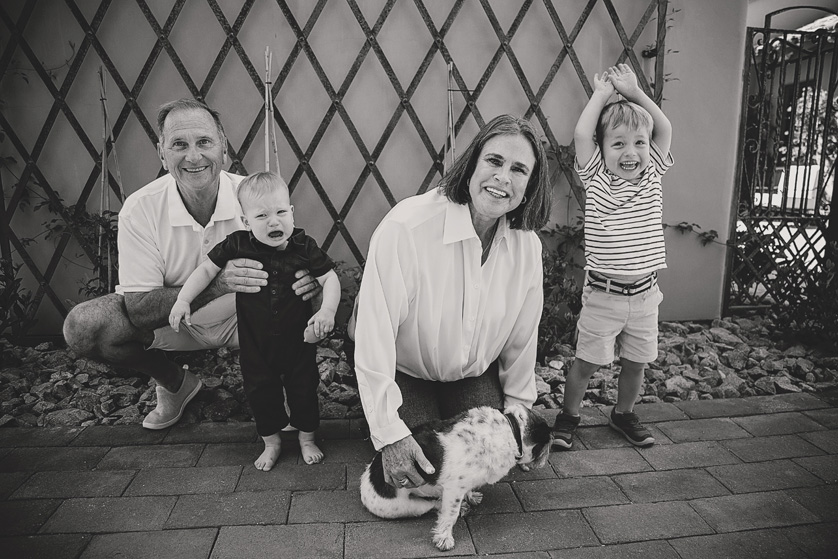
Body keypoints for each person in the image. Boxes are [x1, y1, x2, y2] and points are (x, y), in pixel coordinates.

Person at [62, 99, 320, 431]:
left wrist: (307, 282)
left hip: (248, 321)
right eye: (179, 145)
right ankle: (174, 383)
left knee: (310, 298)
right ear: (161, 152)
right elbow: (139, 310)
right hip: (173, 323)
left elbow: (299, 266)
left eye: (204, 142)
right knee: (84, 328)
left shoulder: (254, 198)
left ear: (224, 148)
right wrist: (219, 283)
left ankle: (281, 385)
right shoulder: (140, 208)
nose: (193, 156)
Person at [352, 114, 553, 489]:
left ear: (530, 185)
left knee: (484, 469)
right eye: (494, 161)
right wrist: (390, 434)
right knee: (426, 473)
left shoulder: (527, 248)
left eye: (519, 169)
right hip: (405, 372)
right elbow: (373, 335)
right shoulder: (406, 228)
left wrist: (519, 411)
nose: (503, 178)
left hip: (470, 376)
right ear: (472, 162)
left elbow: (522, 340)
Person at [170, 171, 340, 469]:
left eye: (280, 212)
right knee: (261, 391)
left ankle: (307, 438)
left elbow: (330, 278)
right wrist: (183, 300)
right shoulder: (238, 245)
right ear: (246, 222)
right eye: (261, 216)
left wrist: (326, 310)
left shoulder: (304, 246)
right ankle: (272, 442)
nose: (273, 221)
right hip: (255, 344)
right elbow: (206, 271)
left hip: (297, 341)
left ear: (292, 212)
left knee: (304, 389)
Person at [552, 63, 673, 449]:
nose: (631, 152)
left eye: (638, 142)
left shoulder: (653, 172)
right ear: (602, 151)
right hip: (603, 296)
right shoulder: (597, 179)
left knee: (637, 363)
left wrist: (636, 92)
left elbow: (664, 128)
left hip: (644, 296)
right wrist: (602, 95)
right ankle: (568, 417)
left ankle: (623, 414)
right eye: (618, 143)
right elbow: (581, 133)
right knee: (586, 363)